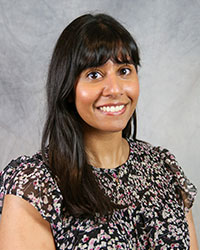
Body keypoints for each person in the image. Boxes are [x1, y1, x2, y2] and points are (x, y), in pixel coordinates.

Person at [0, 13, 198, 250]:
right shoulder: (34, 186)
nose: (114, 89)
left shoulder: (163, 170)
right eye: (94, 75)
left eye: (124, 70)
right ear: (67, 88)